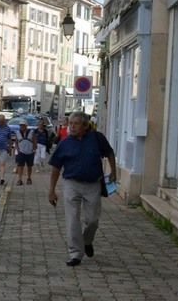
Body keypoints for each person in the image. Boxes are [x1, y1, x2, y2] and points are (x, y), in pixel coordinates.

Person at [47, 111, 118, 267]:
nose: (72, 127)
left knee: (92, 220)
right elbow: (55, 168)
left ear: (85, 126)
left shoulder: (97, 138)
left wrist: (113, 171)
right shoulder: (65, 143)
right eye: (70, 123)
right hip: (71, 184)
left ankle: (87, 241)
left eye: (76, 124)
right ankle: (75, 254)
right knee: (72, 220)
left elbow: (110, 153)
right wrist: (52, 190)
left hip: (93, 184)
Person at [13, 121, 36, 185]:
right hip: (21, 152)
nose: (21, 127)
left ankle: (29, 178)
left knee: (29, 166)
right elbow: (16, 142)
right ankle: (20, 180)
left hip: (30, 152)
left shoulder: (31, 132)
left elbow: (34, 140)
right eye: (20, 125)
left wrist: (34, 149)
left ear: (26, 126)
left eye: (23, 125)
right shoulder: (17, 133)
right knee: (20, 166)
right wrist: (17, 150)